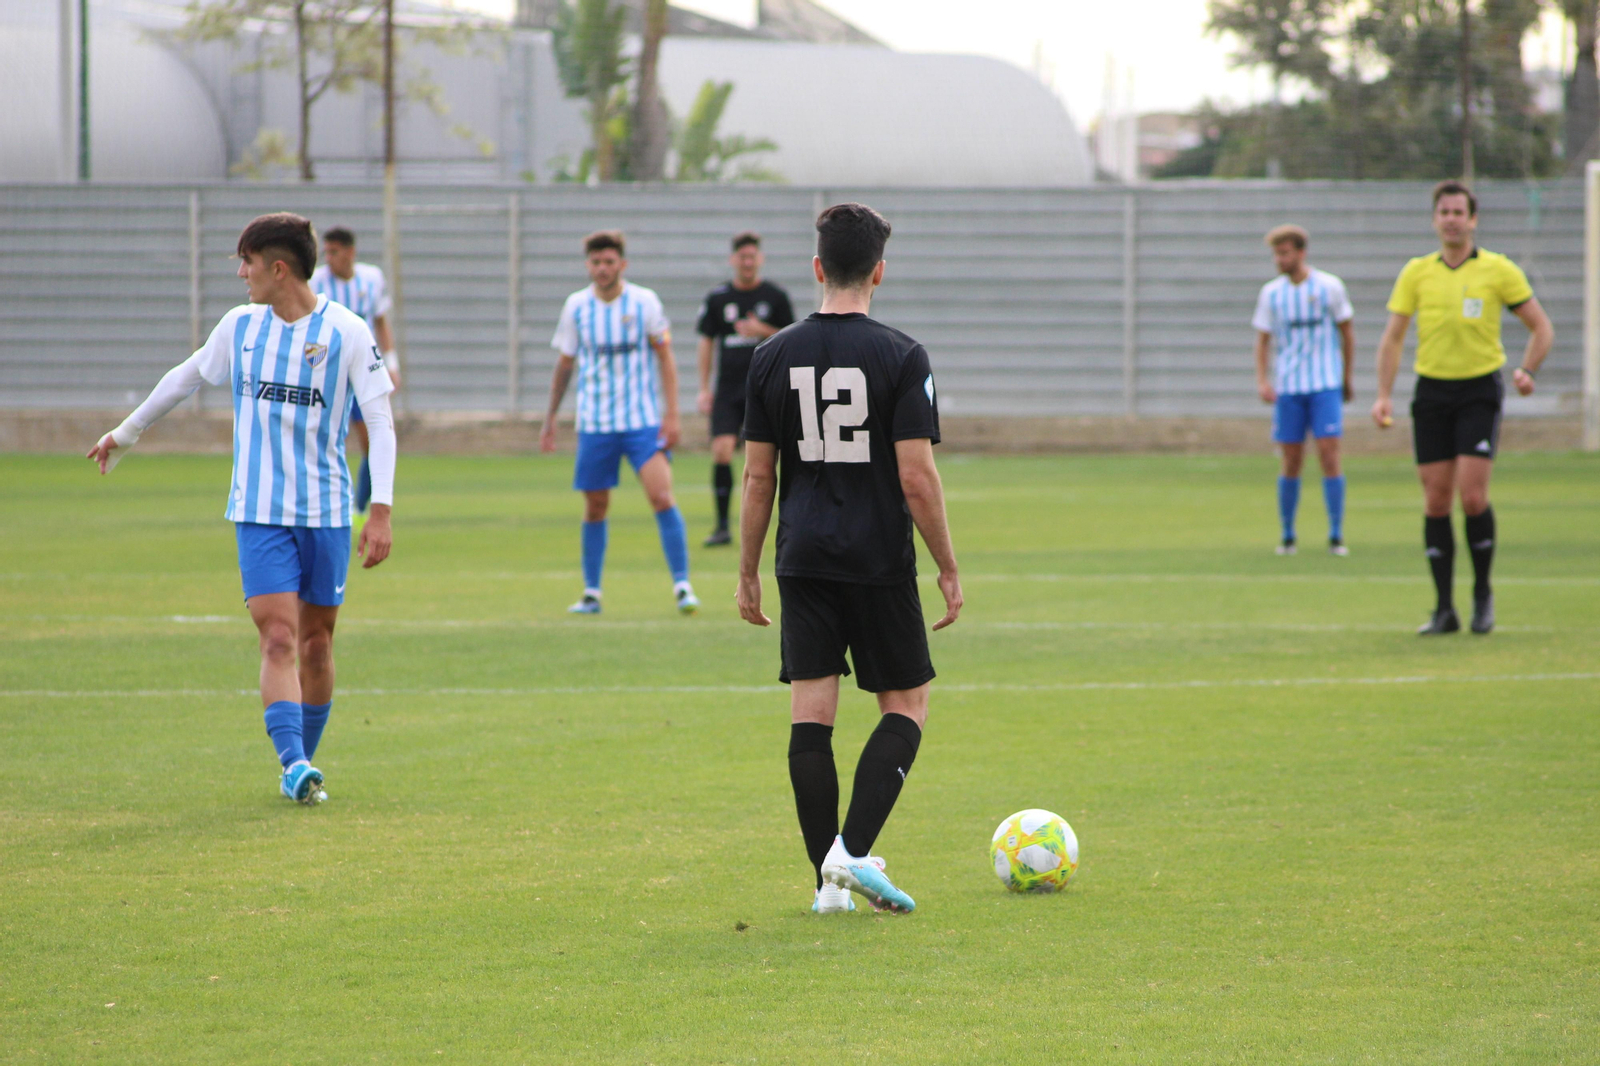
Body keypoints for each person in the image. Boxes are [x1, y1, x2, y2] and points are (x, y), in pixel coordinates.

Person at [87, 212, 397, 803]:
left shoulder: (349, 333)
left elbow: (379, 421)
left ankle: (303, 759)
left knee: (316, 644)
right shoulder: (241, 327)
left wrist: (378, 508)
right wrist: (125, 433)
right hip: (258, 509)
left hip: (327, 511)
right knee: (278, 636)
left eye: (247, 264)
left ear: (278, 269)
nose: (240, 274)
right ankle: (293, 765)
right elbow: (187, 376)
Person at [737, 203, 962, 915]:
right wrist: (947, 566)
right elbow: (917, 477)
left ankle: (824, 889)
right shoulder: (902, 356)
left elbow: (758, 477)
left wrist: (746, 569)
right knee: (907, 704)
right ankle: (852, 855)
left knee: (812, 714)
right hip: (877, 558)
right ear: (879, 272)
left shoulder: (770, 355)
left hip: (801, 556)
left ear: (815, 269)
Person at [1372, 180, 1554, 635]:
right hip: (1432, 393)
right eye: (1444, 212)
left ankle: (1482, 595)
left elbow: (1541, 327)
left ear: (1472, 220)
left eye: (1459, 212)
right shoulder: (1417, 272)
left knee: (1472, 497)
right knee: (1435, 499)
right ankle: (1443, 609)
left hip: (1478, 391)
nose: (1452, 219)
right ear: (1434, 220)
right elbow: (1393, 337)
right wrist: (1382, 394)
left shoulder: (1498, 270)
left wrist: (1528, 370)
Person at [540, 230, 698, 616]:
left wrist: (672, 415)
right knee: (595, 506)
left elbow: (666, 358)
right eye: (596, 262)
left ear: (622, 265)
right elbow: (565, 365)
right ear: (588, 266)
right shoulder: (576, 307)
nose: (602, 268)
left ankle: (682, 585)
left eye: (609, 262)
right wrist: (550, 419)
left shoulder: (644, 302)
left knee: (661, 496)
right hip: (595, 423)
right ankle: (591, 592)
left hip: (642, 421)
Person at [1251, 224, 1356, 556]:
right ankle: (1287, 535)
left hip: (1324, 385)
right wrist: (1263, 380)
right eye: (1276, 254)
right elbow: (1263, 340)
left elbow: (1347, 334)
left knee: (1329, 454)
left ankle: (1336, 534)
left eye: (1284, 253)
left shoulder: (1329, 287)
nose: (1279, 259)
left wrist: (1346, 378)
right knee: (1291, 459)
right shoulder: (1272, 294)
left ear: (1300, 253)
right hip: (1290, 388)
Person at [695, 232, 796, 546]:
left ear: (760, 259)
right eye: (742, 257)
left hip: (766, 388)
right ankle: (723, 526)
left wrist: (761, 330)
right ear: (733, 260)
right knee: (722, 450)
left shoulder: (775, 297)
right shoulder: (718, 298)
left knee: (770, 459)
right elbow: (706, 342)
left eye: (752, 256)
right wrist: (703, 387)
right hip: (728, 389)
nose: (747, 262)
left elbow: (792, 336)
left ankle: (787, 524)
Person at [309, 226, 399, 518]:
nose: (329, 258)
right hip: (326, 375)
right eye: (326, 252)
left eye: (334, 252)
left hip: (362, 373)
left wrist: (392, 364)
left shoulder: (371, 278)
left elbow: (381, 322)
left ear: (350, 252)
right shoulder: (317, 282)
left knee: (372, 440)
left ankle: (360, 508)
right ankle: (327, 505)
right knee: (324, 440)